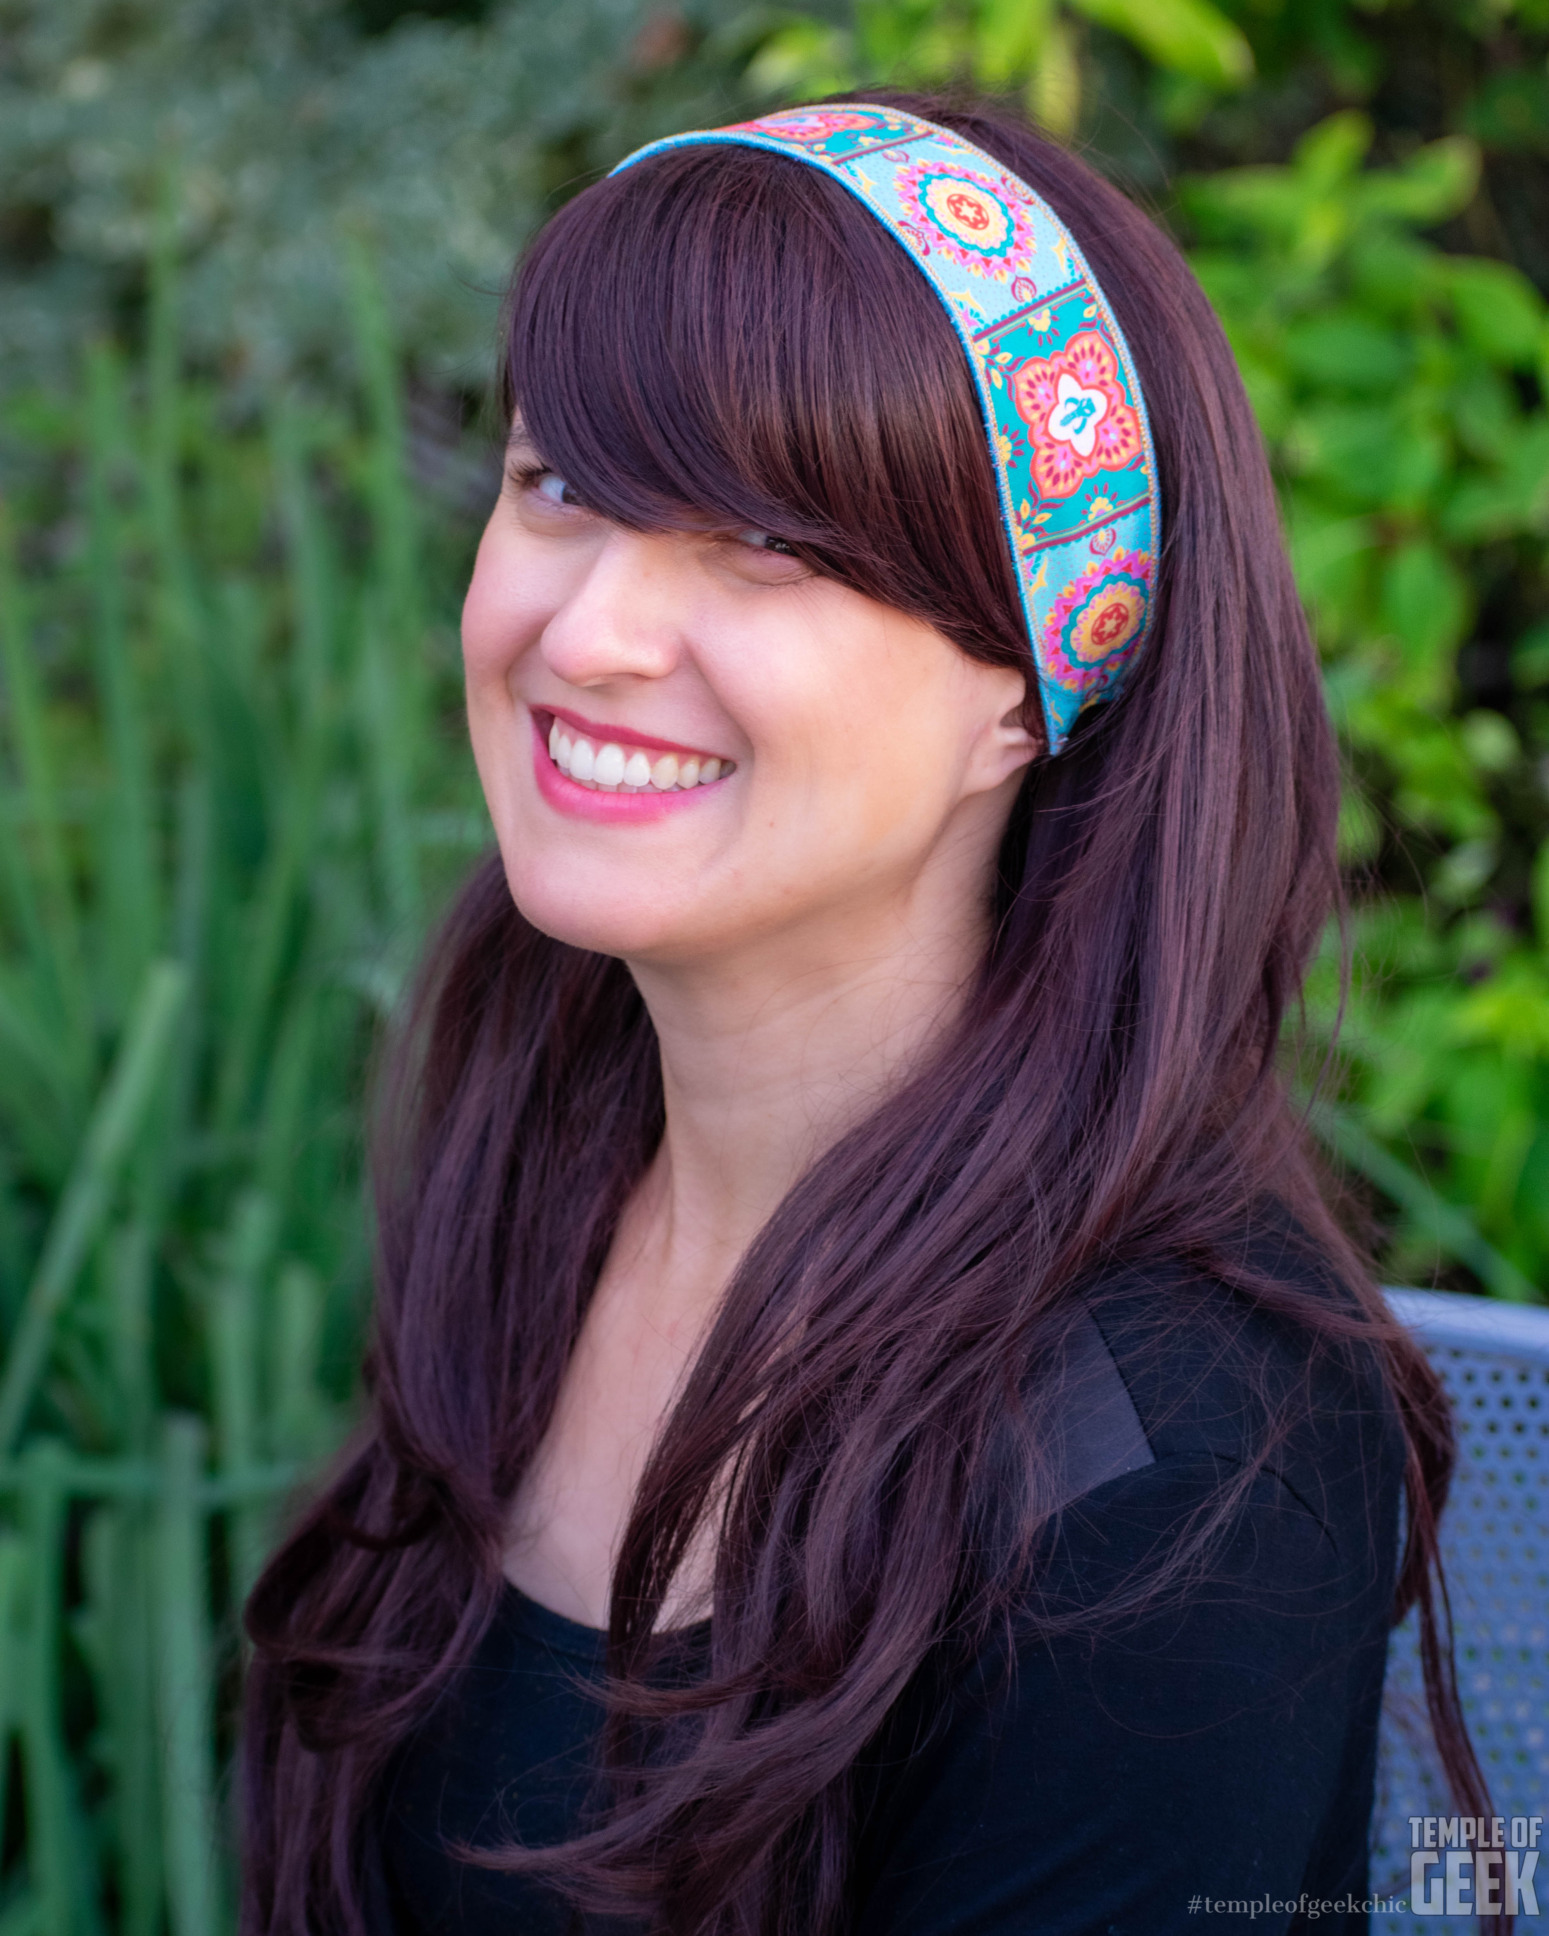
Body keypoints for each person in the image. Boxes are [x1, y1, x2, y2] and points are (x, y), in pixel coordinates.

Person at [241, 92, 1486, 1936]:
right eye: (560, 485)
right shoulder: (545, 1142)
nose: (589, 634)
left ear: (1029, 689)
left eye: (766, 547)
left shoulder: (1167, 1473)